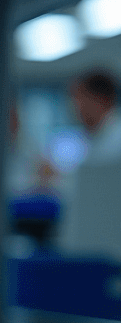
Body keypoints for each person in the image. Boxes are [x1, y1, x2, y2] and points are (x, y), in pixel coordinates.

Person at [59, 70, 121, 259]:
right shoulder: (95, 141)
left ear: (101, 100)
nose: (74, 108)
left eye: (79, 98)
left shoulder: (115, 142)